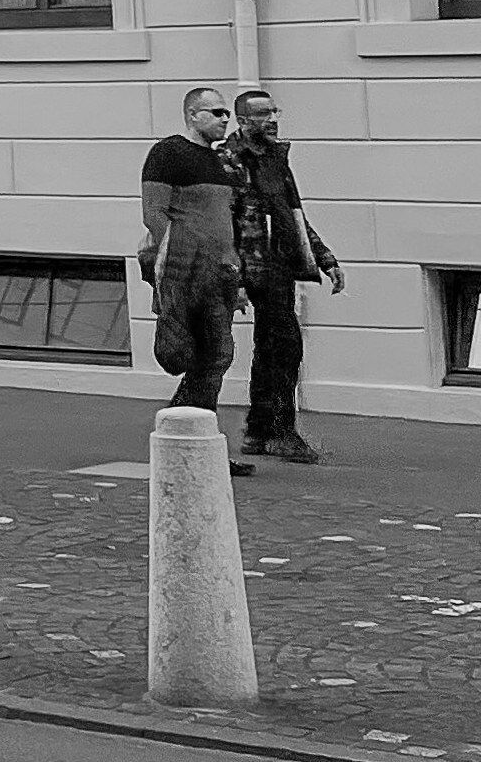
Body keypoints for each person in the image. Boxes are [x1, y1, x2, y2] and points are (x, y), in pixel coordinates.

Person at [224, 87, 339, 467]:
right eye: (262, 114)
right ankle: (279, 432)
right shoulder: (229, 160)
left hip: (277, 263)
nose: (272, 120)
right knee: (284, 346)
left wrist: (324, 258)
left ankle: (261, 430)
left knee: (274, 348)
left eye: (274, 112)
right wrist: (236, 278)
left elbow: (293, 214)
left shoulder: (275, 158)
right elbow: (224, 223)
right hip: (249, 265)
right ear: (243, 121)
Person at [141, 86, 249, 474]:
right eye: (217, 112)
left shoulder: (218, 163)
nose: (225, 119)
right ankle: (187, 436)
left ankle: (187, 434)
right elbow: (154, 214)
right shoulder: (168, 153)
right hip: (187, 273)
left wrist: (234, 277)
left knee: (214, 355)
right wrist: (174, 273)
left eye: (226, 114)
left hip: (218, 273)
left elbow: (224, 226)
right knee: (203, 354)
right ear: (192, 114)